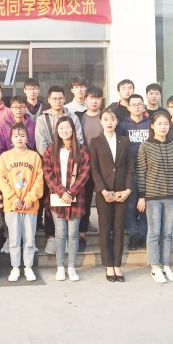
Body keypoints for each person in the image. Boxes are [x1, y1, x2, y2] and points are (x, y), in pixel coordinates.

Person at [35, 86, 84, 255]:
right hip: (51, 165)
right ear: (48, 100)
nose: (57, 101)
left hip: (71, 165)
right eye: (54, 98)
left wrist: (69, 156)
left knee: (71, 200)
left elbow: (79, 139)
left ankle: (69, 239)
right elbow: (41, 143)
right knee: (51, 201)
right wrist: (52, 158)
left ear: (65, 99)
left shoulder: (73, 117)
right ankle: (51, 237)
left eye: (60, 98)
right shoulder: (42, 119)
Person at [136, 112, 173, 284]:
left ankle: (166, 265)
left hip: (171, 196)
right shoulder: (145, 146)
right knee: (154, 232)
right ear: (152, 126)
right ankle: (155, 266)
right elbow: (141, 173)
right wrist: (142, 196)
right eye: (159, 124)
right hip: (152, 196)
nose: (163, 127)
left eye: (166, 124)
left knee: (168, 232)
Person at [42, 116, 90, 282]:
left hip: (76, 197)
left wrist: (71, 191)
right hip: (58, 197)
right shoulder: (51, 149)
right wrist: (61, 191)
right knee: (60, 234)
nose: (64, 131)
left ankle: (72, 267)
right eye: (61, 128)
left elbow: (85, 173)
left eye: (67, 128)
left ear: (73, 129)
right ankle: (60, 267)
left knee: (73, 234)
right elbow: (47, 172)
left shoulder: (82, 150)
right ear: (57, 130)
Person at [0, 123, 44, 282]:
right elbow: (1, 179)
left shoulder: (34, 157)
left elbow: (39, 179)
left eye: (22, 136)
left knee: (29, 238)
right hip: (12, 205)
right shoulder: (5, 157)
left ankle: (28, 267)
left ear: (27, 138)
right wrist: (13, 197)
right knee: (14, 238)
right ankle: (15, 267)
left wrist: (30, 198)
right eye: (16, 136)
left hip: (30, 205)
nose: (19, 139)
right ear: (10, 139)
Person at [90, 108, 134, 281]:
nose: (109, 122)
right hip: (104, 192)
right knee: (106, 228)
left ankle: (117, 265)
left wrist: (128, 190)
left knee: (119, 228)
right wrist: (103, 190)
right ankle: (109, 265)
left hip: (122, 191)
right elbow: (94, 169)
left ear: (117, 121)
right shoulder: (95, 142)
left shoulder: (125, 141)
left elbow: (130, 167)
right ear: (101, 121)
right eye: (106, 119)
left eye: (112, 119)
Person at [118, 94, 151, 251]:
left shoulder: (150, 124)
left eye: (140, 104)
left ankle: (143, 235)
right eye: (134, 104)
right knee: (130, 204)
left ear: (144, 106)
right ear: (128, 107)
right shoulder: (123, 125)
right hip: (129, 170)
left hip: (148, 169)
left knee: (146, 204)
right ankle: (133, 234)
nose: (137, 107)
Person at [75, 86, 104, 246]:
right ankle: (82, 233)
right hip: (84, 164)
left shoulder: (106, 117)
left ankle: (106, 232)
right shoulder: (78, 117)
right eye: (91, 98)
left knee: (103, 199)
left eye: (97, 98)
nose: (94, 101)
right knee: (84, 200)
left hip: (103, 165)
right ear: (85, 99)